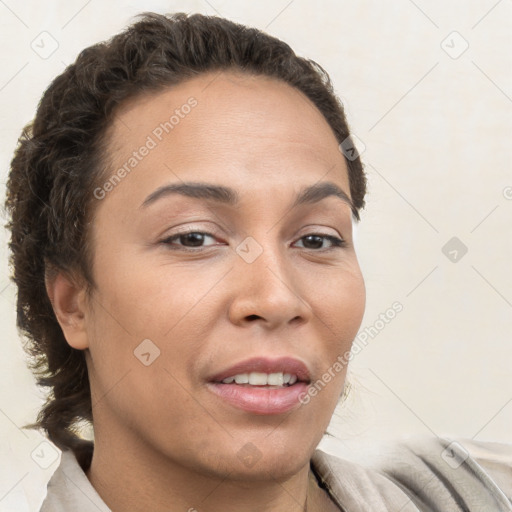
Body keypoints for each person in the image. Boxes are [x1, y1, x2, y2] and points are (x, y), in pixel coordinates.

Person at [4, 11, 511, 512]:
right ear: (72, 302)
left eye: (316, 240)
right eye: (194, 237)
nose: (276, 298)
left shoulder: (477, 492)